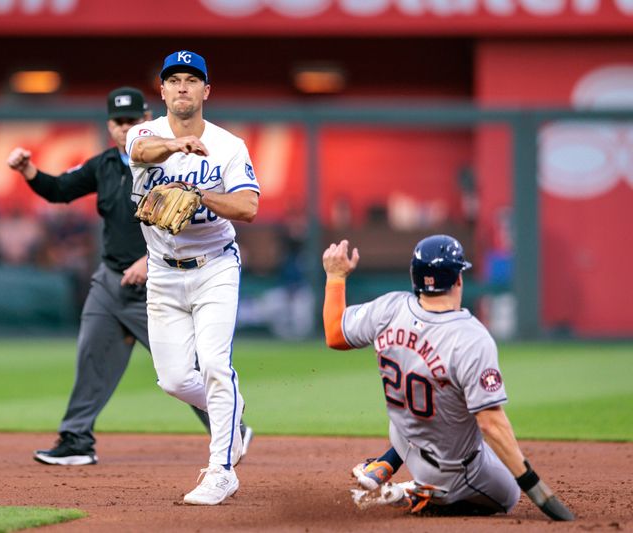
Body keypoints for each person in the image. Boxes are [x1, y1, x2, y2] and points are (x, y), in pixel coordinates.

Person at [7, 86, 252, 466]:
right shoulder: (104, 165)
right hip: (111, 281)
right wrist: (29, 171)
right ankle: (76, 439)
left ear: (146, 121)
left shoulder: (174, 160)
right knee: (92, 357)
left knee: (185, 374)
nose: (125, 128)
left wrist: (147, 259)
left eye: (132, 121)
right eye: (118, 122)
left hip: (159, 277)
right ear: (109, 126)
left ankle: (231, 423)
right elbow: (58, 189)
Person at [321, 235, 573, 520]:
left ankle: (384, 464)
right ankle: (418, 493)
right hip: (451, 469)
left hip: (404, 435)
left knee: (426, 414)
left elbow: (335, 334)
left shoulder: (389, 308)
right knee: (508, 496)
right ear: (458, 280)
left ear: (414, 277)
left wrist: (335, 276)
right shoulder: (471, 338)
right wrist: (536, 488)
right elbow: (491, 424)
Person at [126, 50, 260, 505]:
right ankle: (232, 408)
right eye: (174, 79)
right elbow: (141, 152)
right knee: (175, 380)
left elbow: (248, 207)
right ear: (161, 90)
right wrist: (175, 146)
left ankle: (221, 470)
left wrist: (200, 193)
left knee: (216, 367)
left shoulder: (229, 145)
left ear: (206, 90)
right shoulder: (144, 134)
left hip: (215, 267)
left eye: (191, 79)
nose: (182, 86)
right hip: (163, 274)